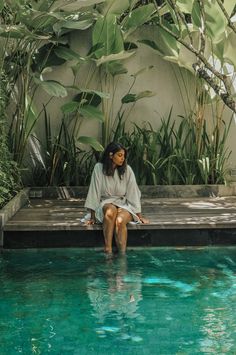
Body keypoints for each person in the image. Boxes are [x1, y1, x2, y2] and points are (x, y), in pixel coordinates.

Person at [84, 142, 149, 254]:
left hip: (123, 203)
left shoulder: (127, 170)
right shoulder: (99, 168)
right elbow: (94, 191)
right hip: (105, 202)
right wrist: (92, 216)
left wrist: (139, 216)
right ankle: (108, 248)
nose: (122, 158)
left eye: (124, 156)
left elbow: (133, 192)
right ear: (110, 155)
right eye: (119, 155)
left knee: (120, 221)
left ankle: (122, 256)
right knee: (111, 211)